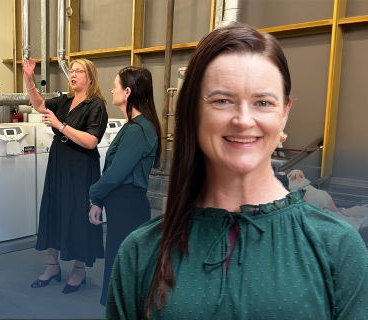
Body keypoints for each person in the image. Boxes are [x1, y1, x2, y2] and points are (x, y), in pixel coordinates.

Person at [106, 24, 368, 319]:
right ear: (193, 112)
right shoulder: (141, 251)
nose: (243, 120)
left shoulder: (338, 248)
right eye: (222, 100)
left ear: (284, 113)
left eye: (263, 102)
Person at [23, 58, 108, 294]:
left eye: (79, 71)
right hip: (59, 161)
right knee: (55, 208)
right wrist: (28, 78)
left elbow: (91, 141)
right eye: (71, 71)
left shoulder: (96, 105)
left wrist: (60, 126)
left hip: (81, 167)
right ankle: (52, 266)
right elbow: (39, 105)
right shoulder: (65, 100)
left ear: (90, 76)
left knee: (78, 214)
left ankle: (79, 269)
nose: (73, 74)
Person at [88, 66, 161, 305]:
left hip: (129, 205)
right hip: (120, 204)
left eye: (116, 86)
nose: (111, 90)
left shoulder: (140, 129)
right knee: (118, 263)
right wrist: (100, 200)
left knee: (124, 267)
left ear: (127, 92)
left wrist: (93, 194)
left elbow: (116, 173)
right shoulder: (132, 126)